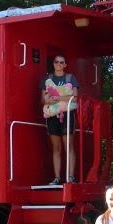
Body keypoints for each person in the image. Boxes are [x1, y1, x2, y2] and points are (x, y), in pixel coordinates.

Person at [40, 53, 78, 184]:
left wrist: (57, 98)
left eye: (62, 62)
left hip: (68, 114)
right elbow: (43, 100)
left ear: (65, 65)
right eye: (56, 62)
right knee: (56, 147)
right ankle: (57, 178)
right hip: (52, 116)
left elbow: (75, 98)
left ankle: (70, 177)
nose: (59, 64)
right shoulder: (47, 79)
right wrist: (51, 101)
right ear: (53, 64)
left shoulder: (71, 78)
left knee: (69, 146)